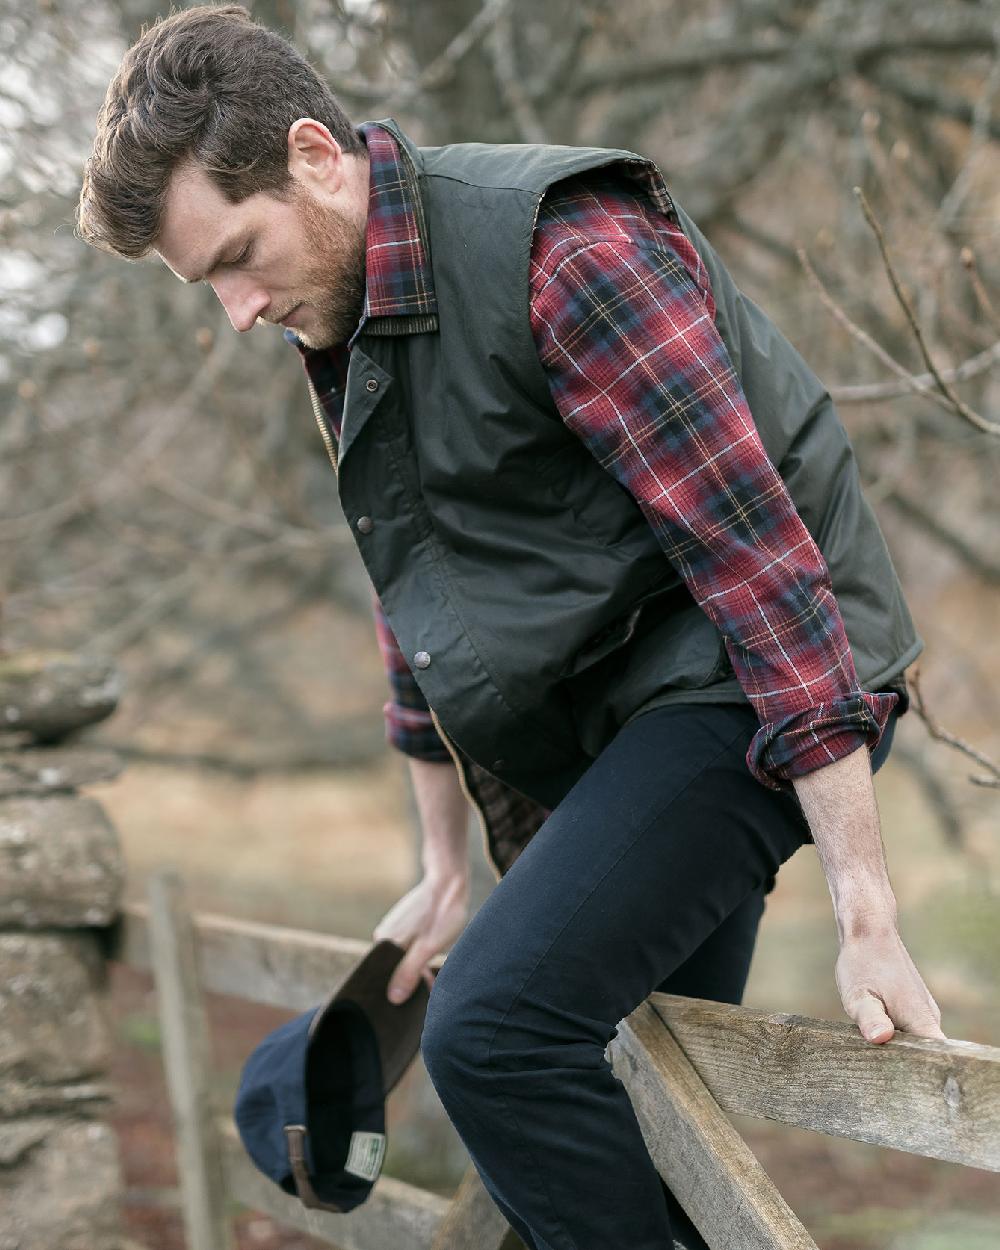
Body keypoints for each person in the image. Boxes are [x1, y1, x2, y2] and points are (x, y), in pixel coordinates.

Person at [77, 7, 947, 1249]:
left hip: (765, 670)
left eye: (237, 256)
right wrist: (440, 864)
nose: (236, 310)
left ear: (317, 158)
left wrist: (866, 906)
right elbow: (414, 585)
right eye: (206, 282)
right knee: (635, 1106)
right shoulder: (345, 301)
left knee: (492, 1030)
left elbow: (757, 563)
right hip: (627, 702)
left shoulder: (565, 253)